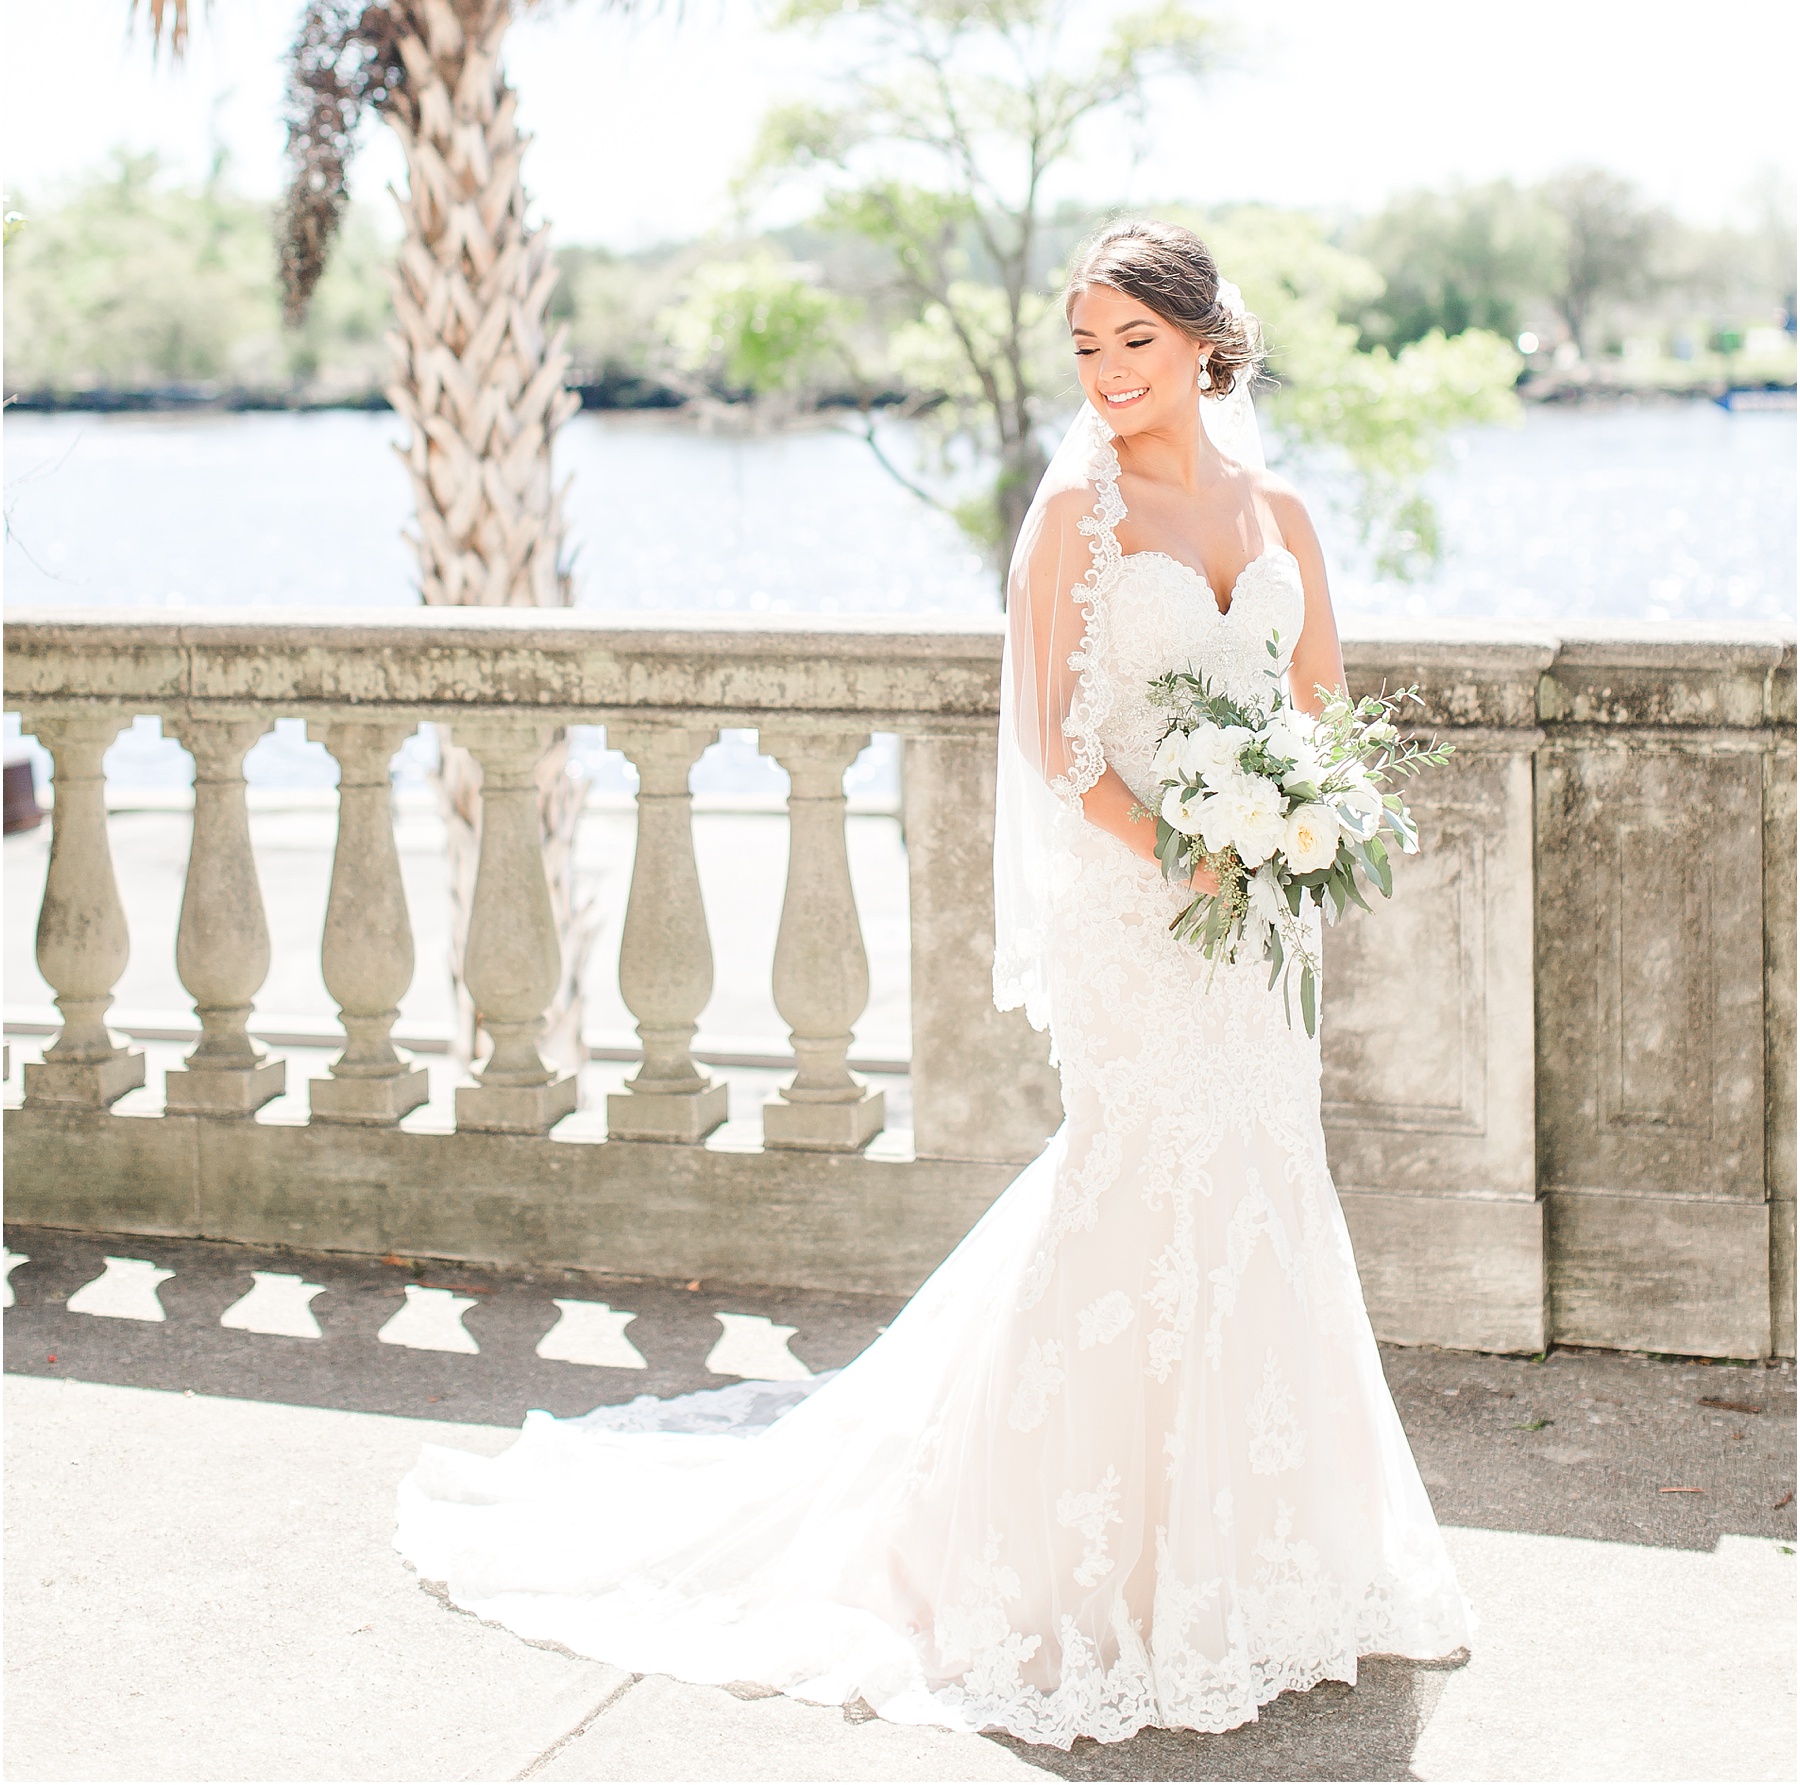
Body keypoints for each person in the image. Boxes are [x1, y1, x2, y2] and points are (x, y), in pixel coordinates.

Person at [397, 219, 1472, 1749]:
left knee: (1260, 1181)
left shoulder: (1280, 505)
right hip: (1136, 910)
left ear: (1207, 341)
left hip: (1263, 929)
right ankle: (1055, 1562)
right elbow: (1053, 742)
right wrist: (1188, 843)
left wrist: (1312, 820)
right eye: (1087, 347)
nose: (1105, 374)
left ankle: (1262, 1565)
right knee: (1129, 1176)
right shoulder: (1070, 519)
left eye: (1134, 344)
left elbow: (1325, 710)